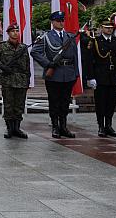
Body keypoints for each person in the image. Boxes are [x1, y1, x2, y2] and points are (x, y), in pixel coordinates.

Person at [31, 11, 79, 139]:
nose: (61, 22)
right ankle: (55, 127)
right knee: (54, 102)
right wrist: (49, 64)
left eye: (62, 20)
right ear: (52, 22)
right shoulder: (46, 37)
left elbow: (75, 55)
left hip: (68, 73)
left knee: (65, 102)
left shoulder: (69, 36)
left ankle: (63, 126)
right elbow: (35, 52)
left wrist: (76, 73)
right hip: (54, 74)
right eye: (58, 20)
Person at [0, 24, 30, 139]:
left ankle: (17, 128)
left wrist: (27, 80)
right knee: (9, 105)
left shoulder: (23, 47)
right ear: (8, 33)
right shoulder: (2, 46)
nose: (15, 33)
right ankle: (9, 128)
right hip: (8, 80)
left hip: (21, 80)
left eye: (17, 31)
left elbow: (27, 65)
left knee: (19, 105)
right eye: (13, 31)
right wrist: (1, 66)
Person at [80, 19, 116, 137]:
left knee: (111, 102)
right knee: (101, 103)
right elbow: (90, 61)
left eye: (111, 28)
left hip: (113, 75)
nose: (109, 30)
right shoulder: (95, 41)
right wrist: (91, 77)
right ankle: (101, 126)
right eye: (107, 28)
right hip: (100, 76)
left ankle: (109, 125)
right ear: (101, 28)